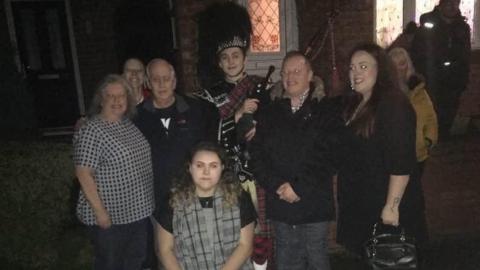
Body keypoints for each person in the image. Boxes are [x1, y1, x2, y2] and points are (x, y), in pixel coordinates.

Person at [196, 2, 274, 268]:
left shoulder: (261, 87)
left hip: (258, 170)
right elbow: (207, 137)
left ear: (244, 57)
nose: (231, 61)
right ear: (219, 61)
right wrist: (236, 113)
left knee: (262, 234)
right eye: (225, 56)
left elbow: (277, 126)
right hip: (227, 172)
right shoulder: (210, 95)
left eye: (235, 55)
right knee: (233, 233)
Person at [251, 51, 342, 270]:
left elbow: (329, 156)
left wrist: (299, 187)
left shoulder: (326, 110)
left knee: (316, 254)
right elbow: (257, 155)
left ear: (310, 74)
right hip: (280, 199)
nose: (289, 77)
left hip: (314, 199)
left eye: (296, 71)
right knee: (285, 256)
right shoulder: (269, 111)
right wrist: (277, 186)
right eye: (285, 72)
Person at [336, 43, 423, 259]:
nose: (355, 72)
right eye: (352, 67)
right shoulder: (356, 103)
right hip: (362, 203)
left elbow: (402, 162)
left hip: (383, 206)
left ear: (381, 69)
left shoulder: (393, 104)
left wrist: (391, 207)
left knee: (389, 260)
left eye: (363, 66)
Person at [74, 74, 154, 270]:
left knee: (135, 261)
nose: (117, 101)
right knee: (111, 265)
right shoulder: (93, 129)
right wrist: (100, 213)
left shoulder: (128, 124)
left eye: (122, 96)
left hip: (137, 212)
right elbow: (83, 173)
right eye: (111, 96)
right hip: (110, 217)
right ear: (101, 99)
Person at [155, 141, 256, 270]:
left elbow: (245, 246)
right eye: (199, 165)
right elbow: (165, 250)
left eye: (213, 166)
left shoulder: (239, 198)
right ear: (190, 168)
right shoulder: (172, 202)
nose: (206, 172)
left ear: (222, 167)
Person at [410, 0, 470, 140]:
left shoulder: (462, 27)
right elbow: (418, 50)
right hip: (432, 77)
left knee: (449, 113)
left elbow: (465, 55)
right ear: (441, 4)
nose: (452, 7)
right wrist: (421, 72)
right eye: (449, 3)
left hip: (454, 80)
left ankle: (443, 140)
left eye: (456, 3)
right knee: (432, 112)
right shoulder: (429, 23)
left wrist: (463, 78)